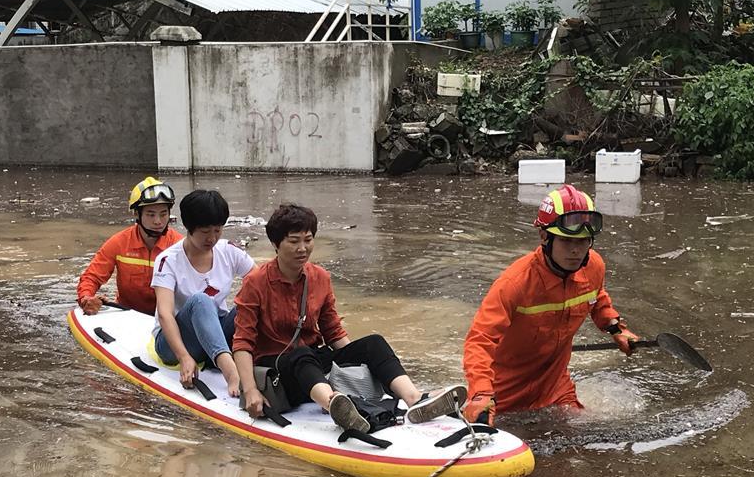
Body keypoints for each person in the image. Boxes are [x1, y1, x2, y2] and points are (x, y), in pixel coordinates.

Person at [233, 203, 466, 433]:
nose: (302, 248)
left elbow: (333, 332)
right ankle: (335, 405)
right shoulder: (256, 282)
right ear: (275, 244)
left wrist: (355, 365)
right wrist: (251, 389)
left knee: (373, 343)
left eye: (308, 239)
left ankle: (415, 399)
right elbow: (243, 342)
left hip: (314, 364)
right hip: (279, 371)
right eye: (294, 241)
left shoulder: (320, 277)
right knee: (301, 355)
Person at [462, 184, 639, 424]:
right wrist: (480, 394)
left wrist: (616, 328)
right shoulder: (514, 284)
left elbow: (597, 299)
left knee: (576, 442)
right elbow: (480, 340)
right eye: (567, 241)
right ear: (545, 236)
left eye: (584, 241)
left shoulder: (594, 266)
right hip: (504, 393)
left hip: (555, 385)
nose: (576, 251)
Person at [152, 189, 255, 397]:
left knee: (251, 303)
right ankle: (231, 372)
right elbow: (164, 313)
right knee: (201, 300)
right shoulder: (168, 260)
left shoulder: (229, 251)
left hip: (216, 333)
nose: (212, 238)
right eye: (205, 232)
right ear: (190, 228)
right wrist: (184, 357)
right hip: (176, 342)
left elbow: (262, 283)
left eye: (217, 231)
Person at [77, 176, 183, 316]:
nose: (158, 221)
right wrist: (87, 298)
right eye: (151, 215)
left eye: (163, 214)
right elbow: (92, 277)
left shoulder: (180, 246)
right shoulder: (119, 243)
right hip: (128, 317)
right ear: (137, 214)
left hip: (169, 317)